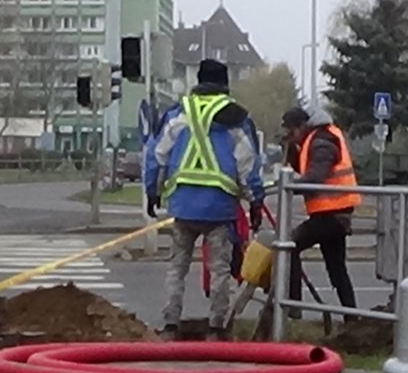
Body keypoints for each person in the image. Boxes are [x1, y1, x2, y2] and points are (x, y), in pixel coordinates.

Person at [144, 58, 264, 341]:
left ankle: (171, 326)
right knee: (220, 269)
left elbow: (156, 154)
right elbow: (247, 163)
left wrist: (153, 191)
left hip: (182, 205)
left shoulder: (178, 112)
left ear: (197, 82)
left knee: (177, 266)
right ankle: (216, 328)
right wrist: (255, 200)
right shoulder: (235, 117)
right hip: (219, 207)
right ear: (225, 85)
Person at [281, 106, 359, 315]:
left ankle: (293, 307)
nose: (293, 137)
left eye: (292, 132)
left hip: (331, 215)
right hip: (333, 214)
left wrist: (290, 187)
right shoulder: (317, 139)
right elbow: (308, 170)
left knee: (289, 246)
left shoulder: (322, 141)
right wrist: (291, 154)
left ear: (302, 126)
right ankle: (352, 317)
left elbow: (316, 176)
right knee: (337, 269)